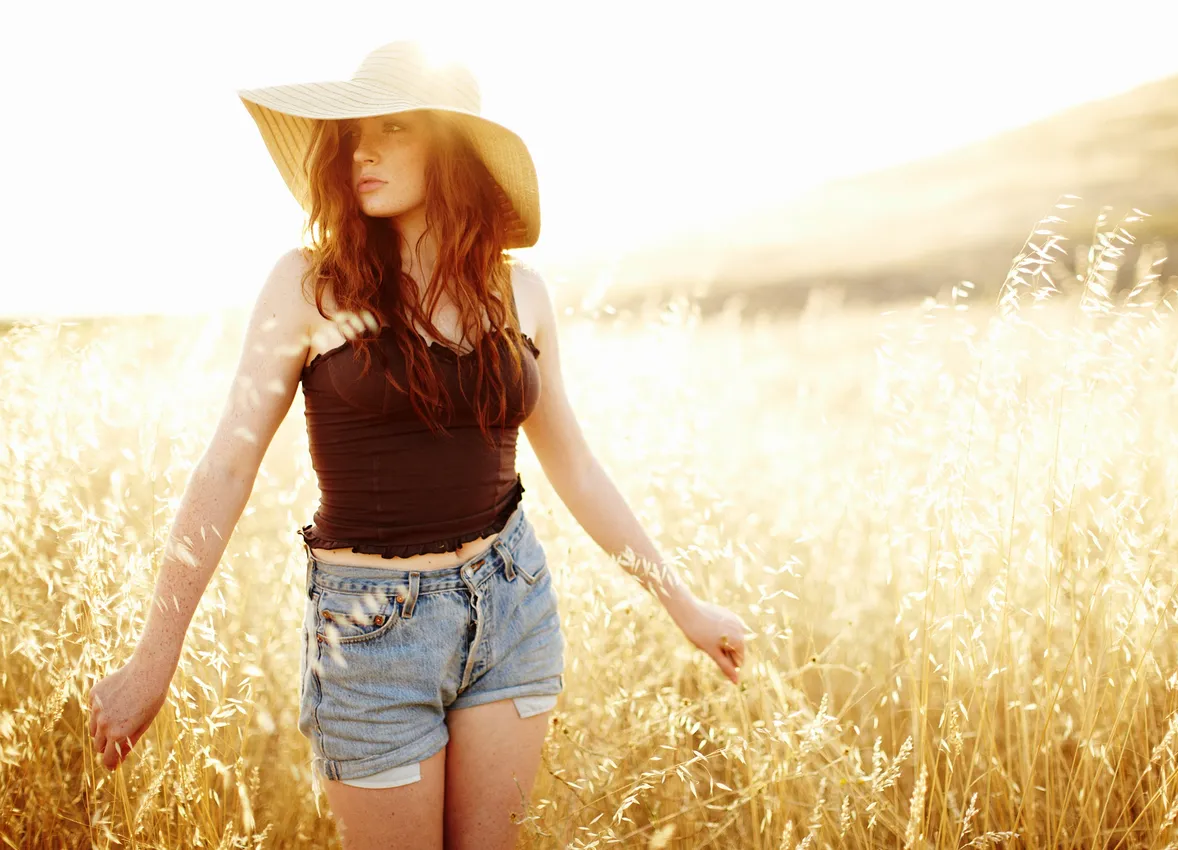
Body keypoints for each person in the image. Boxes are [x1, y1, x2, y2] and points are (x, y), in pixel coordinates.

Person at [86, 40, 749, 849]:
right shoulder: (308, 285)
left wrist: (686, 605)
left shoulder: (522, 296)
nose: (361, 148)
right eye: (353, 131)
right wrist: (155, 659)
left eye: (393, 127)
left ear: (453, 147)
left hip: (512, 603)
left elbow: (571, 461)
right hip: (370, 631)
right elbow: (227, 463)